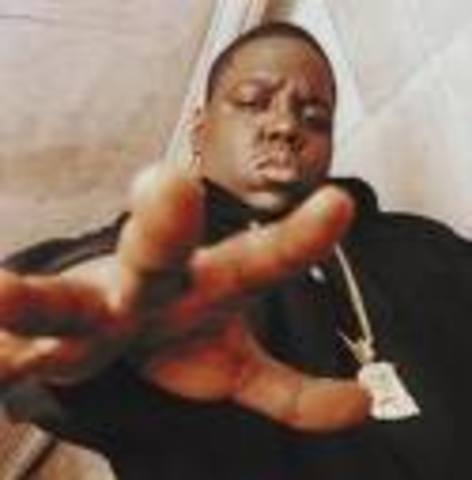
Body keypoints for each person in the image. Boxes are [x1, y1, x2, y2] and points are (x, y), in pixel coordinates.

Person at [0, 21, 470, 479]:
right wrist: (99, 327)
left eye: (315, 117)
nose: (285, 125)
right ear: (199, 128)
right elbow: (60, 301)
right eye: (252, 102)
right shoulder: (174, 261)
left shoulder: (420, 245)